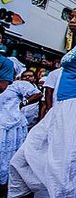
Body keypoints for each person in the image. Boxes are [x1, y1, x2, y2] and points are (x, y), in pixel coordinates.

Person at [9, 5, 76, 198]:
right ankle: (49, 191)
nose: (73, 21)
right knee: (30, 154)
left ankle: (62, 193)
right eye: (71, 17)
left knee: (65, 161)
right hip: (63, 106)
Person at [0, 60, 40, 193]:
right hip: (2, 125)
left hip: (13, 126)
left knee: (8, 155)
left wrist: (24, 102)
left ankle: (7, 185)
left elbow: (38, 94)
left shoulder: (18, 85)